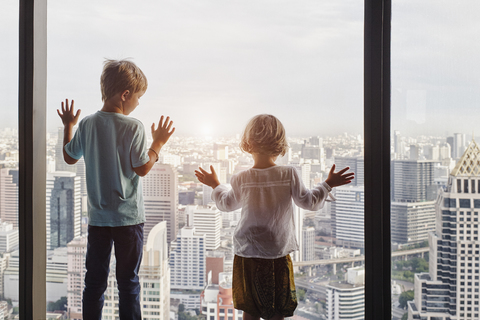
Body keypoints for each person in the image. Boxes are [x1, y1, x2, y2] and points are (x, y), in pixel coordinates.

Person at [195, 114, 354, 320]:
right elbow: (309, 202)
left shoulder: (241, 178)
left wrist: (215, 184)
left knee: (249, 311)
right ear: (279, 145)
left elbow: (226, 204)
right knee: (277, 311)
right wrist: (327, 184)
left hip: (247, 253)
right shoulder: (289, 174)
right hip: (276, 254)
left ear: (248, 143)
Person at [57, 59, 175, 320]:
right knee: (128, 283)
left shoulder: (87, 124)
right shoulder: (133, 127)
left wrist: (68, 125)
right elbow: (142, 167)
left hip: (98, 219)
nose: (138, 103)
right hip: (128, 219)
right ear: (126, 95)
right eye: (138, 97)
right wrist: (158, 143)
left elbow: (69, 157)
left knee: (95, 282)